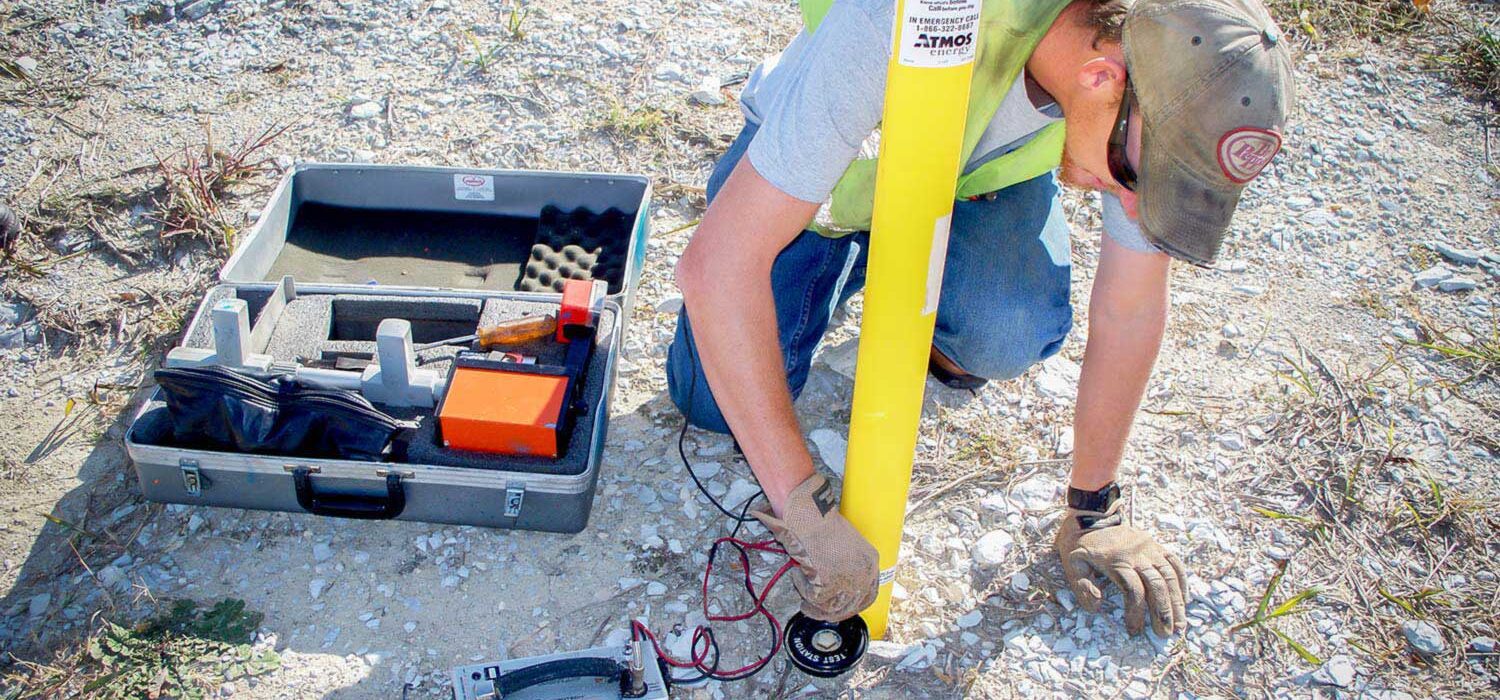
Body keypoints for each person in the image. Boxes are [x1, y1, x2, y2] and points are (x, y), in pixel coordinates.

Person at [667, 0, 1295, 638]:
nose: (1133, 203)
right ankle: (843, 254)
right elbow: (716, 267)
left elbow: (1131, 307)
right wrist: (804, 509)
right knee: (709, 397)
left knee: (1010, 324)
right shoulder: (904, 16)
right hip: (828, 176)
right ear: (1101, 78)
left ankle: (921, 285)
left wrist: (1094, 506)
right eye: (1138, 179)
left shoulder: (1151, 75)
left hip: (967, 178)